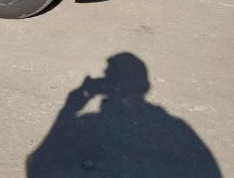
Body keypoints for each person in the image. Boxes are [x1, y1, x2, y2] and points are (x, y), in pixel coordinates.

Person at [26, 53, 221, 177]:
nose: (104, 76)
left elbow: (37, 164)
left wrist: (68, 110)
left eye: (109, 74)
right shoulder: (176, 126)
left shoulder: (90, 121)